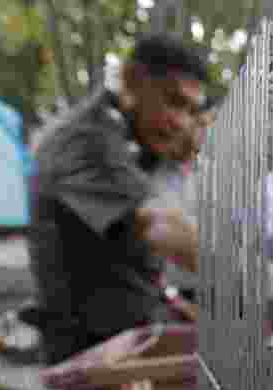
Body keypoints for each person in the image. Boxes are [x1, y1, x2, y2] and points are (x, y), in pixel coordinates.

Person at [25, 33, 208, 364]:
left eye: (192, 111)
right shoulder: (84, 141)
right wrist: (251, 281)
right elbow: (158, 225)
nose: (181, 122)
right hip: (92, 356)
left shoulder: (126, 144)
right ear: (132, 79)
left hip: (130, 333)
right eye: (173, 101)